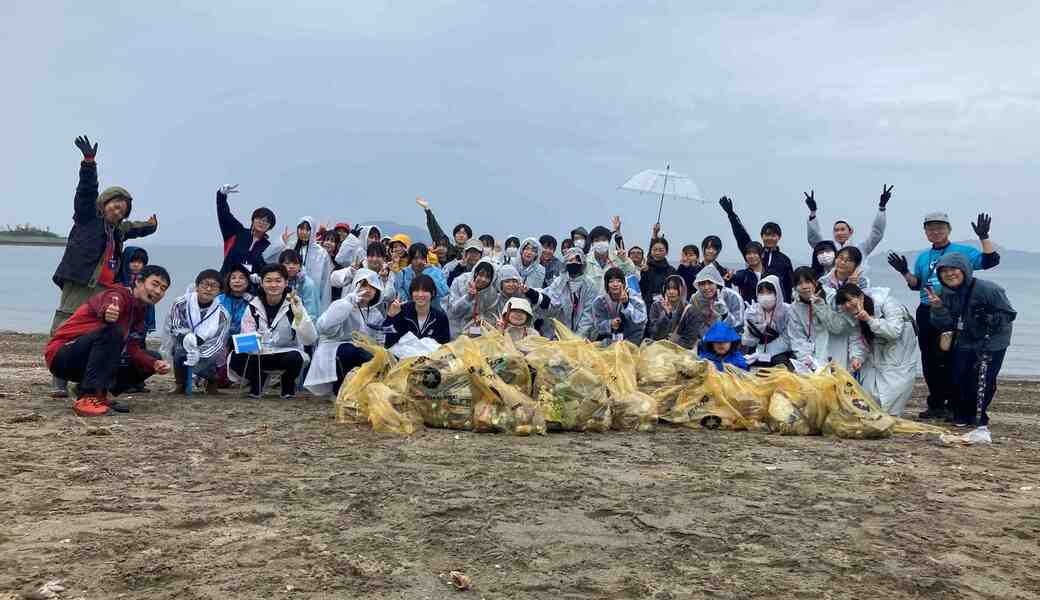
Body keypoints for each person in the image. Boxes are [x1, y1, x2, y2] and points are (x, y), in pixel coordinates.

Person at [51, 135, 158, 397]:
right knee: (67, 321)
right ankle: (59, 376)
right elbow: (86, 192)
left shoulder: (117, 230)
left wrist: (151, 226)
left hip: (105, 287)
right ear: (104, 204)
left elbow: (134, 228)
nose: (118, 210)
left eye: (123, 209)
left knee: (97, 328)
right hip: (81, 280)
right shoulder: (88, 217)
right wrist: (89, 164)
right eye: (115, 205)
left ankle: (85, 374)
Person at [886, 212, 1000, 420]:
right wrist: (903, 272)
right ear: (926, 233)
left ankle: (954, 404)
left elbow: (990, 260)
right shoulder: (922, 257)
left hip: (953, 309)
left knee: (952, 357)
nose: (935, 231)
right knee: (930, 359)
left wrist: (984, 237)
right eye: (931, 228)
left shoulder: (962, 252)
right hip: (926, 309)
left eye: (940, 227)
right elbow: (916, 285)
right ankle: (936, 403)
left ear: (948, 229)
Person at [46, 265, 172, 416]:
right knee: (112, 332)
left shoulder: (140, 311)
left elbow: (133, 349)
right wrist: (109, 311)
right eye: (155, 284)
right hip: (62, 355)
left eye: (163, 288)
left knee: (152, 357)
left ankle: (98, 395)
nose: (158, 291)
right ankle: (88, 397)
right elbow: (110, 304)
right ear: (138, 281)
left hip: (88, 361)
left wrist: (154, 364)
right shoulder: (118, 294)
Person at [929, 253, 1015, 427]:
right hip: (965, 338)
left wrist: (989, 317)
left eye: (953, 269)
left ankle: (979, 415)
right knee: (958, 377)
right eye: (943, 271)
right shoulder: (944, 293)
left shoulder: (989, 289)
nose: (949, 274)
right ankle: (960, 414)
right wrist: (937, 308)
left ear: (965, 270)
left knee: (983, 379)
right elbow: (944, 324)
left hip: (992, 340)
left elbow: (1009, 314)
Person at [227, 264, 318, 399]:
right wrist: (255, 340)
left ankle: (287, 385)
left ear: (286, 283)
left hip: (285, 352)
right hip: (260, 353)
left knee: (295, 358)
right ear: (262, 283)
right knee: (235, 357)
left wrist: (300, 317)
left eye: (278, 280)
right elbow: (246, 337)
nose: (273, 285)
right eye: (268, 281)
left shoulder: (294, 304)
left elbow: (310, 339)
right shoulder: (253, 306)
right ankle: (258, 381)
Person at [835, 284, 918, 416]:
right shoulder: (851, 314)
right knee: (870, 390)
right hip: (876, 348)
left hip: (900, 347)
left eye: (850, 299)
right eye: (843, 303)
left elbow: (894, 332)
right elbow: (858, 339)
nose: (848, 305)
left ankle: (890, 415)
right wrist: (857, 358)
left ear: (861, 296)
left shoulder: (888, 303)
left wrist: (868, 319)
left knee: (896, 387)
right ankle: (877, 416)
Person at [305, 269, 387, 396]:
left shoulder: (375, 313)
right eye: (364, 285)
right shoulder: (341, 304)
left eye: (372, 287)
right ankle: (340, 390)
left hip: (361, 352)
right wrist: (347, 305)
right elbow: (324, 327)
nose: (368, 290)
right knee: (350, 351)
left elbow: (378, 338)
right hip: (335, 350)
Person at [160, 269, 232, 395]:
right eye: (205, 284)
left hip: (207, 347)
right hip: (184, 340)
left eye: (214, 286)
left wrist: (199, 353)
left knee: (209, 358)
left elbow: (218, 341)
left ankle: (211, 379)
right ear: (197, 286)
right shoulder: (180, 303)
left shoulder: (223, 314)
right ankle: (180, 383)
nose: (208, 289)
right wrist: (188, 340)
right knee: (179, 350)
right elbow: (176, 326)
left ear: (220, 291)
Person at [719, 196, 794, 302]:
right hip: (751, 307)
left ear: (779, 237)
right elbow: (741, 236)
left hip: (775, 308)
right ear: (762, 236)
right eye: (766, 235)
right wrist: (731, 214)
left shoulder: (785, 260)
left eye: (773, 235)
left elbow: (788, 287)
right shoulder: (754, 253)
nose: (770, 238)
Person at [264, 216, 334, 311]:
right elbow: (267, 258)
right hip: (286, 297)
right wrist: (281, 242)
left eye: (307, 229)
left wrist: (324, 308)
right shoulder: (290, 246)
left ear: (313, 231)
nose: (304, 232)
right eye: (301, 228)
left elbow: (325, 284)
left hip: (310, 299)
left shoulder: (321, 253)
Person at [786, 266, 848, 371]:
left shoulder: (832, 297)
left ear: (815, 282)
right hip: (812, 360)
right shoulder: (795, 308)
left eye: (807, 281)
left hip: (836, 355)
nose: (804, 286)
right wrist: (806, 359)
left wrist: (820, 306)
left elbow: (837, 327)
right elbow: (797, 337)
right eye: (800, 283)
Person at [804, 186, 891, 257]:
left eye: (842, 229)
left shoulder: (861, 249)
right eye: (836, 230)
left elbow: (876, 234)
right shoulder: (828, 250)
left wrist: (882, 207)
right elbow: (814, 239)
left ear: (850, 231)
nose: (839, 233)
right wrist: (813, 212)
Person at [674, 264, 744, 350]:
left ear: (717, 283)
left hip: (730, 344)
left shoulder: (733, 296)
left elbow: (739, 325)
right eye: (702, 284)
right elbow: (693, 324)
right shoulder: (695, 298)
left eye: (710, 283)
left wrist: (725, 314)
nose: (706, 287)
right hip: (704, 345)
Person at [215, 183, 274, 276]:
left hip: (250, 288)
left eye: (266, 221)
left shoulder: (267, 247)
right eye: (259, 218)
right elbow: (224, 215)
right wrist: (221, 195)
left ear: (270, 227)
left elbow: (267, 270)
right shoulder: (237, 232)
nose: (262, 222)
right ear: (253, 219)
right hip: (225, 283)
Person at [384, 275, 452, 347]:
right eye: (416, 290)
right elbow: (387, 340)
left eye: (425, 291)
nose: (420, 295)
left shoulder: (440, 317)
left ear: (433, 293)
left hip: (430, 357)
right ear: (411, 293)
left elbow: (444, 346)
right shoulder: (401, 310)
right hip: (402, 356)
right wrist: (390, 317)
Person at [742, 275, 793, 369]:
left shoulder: (787, 310)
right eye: (761, 293)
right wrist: (753, 324)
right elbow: (748, 342)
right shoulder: (752, 310)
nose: (765, 296)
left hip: (781, 353)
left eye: (769, 292)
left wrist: (762, 353)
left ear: (777, 292)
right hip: (757, 351)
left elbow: (787, 341)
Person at [545, 248, 598, 339]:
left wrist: (578, 338)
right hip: (558, 333)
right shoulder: (559, 282)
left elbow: (588, 315)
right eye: (570, 260)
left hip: (582, 336)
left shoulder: (590, 284)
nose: (573, 263)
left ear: (582, 263)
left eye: (577, 260)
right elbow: (552, 307)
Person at [330, 242, 396, 313]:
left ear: (384, 258)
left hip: (375, 316)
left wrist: (384, 280)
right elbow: (333, 280)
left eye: (378, 256)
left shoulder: (387, 272)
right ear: (367, 257)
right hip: (352, 312)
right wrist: (351, 272)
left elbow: (389, 297)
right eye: (371, 256)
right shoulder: (359, 267)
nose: (374, 259)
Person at [592, 268, 647, 344]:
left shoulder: (634, 297)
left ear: (623, 283)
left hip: (632, 342)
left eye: (618, 281)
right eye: (611, 281)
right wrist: (611, 324)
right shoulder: (599, 301)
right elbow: (598, 325)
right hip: (609, 341)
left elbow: (641, 321)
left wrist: (626, 304)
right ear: (606, 284)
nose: (615, 284)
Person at [446, 259, 499, 337]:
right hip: (455, 328)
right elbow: (453, 312)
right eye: (481, 275)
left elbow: (490, 319)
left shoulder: (491, 294)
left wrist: (474, 331)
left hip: (475, 332)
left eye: (487, 277)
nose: (483, 279)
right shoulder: (460, 282)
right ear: (474, 272)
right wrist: (468, 297)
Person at [584, 224, 638, 294]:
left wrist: (624, 260)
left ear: (608, 242)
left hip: (615, 301)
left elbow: (631, 273)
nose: (600, 243)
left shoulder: (618, 258)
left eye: (603, 240)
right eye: (597, 240)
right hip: (591, 302)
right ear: (592, 244)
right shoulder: (585, 260)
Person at [415, 196, 471, 262]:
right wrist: (427, 209)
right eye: (458, 233)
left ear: (469, 236)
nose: (461, 235)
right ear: (454, 236)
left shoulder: (473, 252)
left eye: (464, 233)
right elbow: (437, 231)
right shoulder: (450, 249)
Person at [279, 250, 321, 321]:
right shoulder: (277, 281)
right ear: (280, 265)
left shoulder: (307, 284)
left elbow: (311, 313)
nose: (291, 266)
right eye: (287, 263)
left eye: (295, 263)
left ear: (300, 266)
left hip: (300, 323)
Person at [645, 275, 688, 342]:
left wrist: (679, 339)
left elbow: (690, 334)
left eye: (675, 289)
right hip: (659, 345)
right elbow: (653, 332)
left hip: (680, 347)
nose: (671, 292)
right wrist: (665, 315)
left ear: (682, 290)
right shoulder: (656, 305)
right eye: (668, 289)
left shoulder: (687, 308)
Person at [639, 237, 676, 309]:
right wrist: (645, 273)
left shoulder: (671, 270)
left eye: (661, 250)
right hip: (648, 306)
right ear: (651, 251)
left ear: (666, 252)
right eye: (655, 250)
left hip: (667, 306)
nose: (657, 253)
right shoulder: (646, 268)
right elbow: (642, 290)